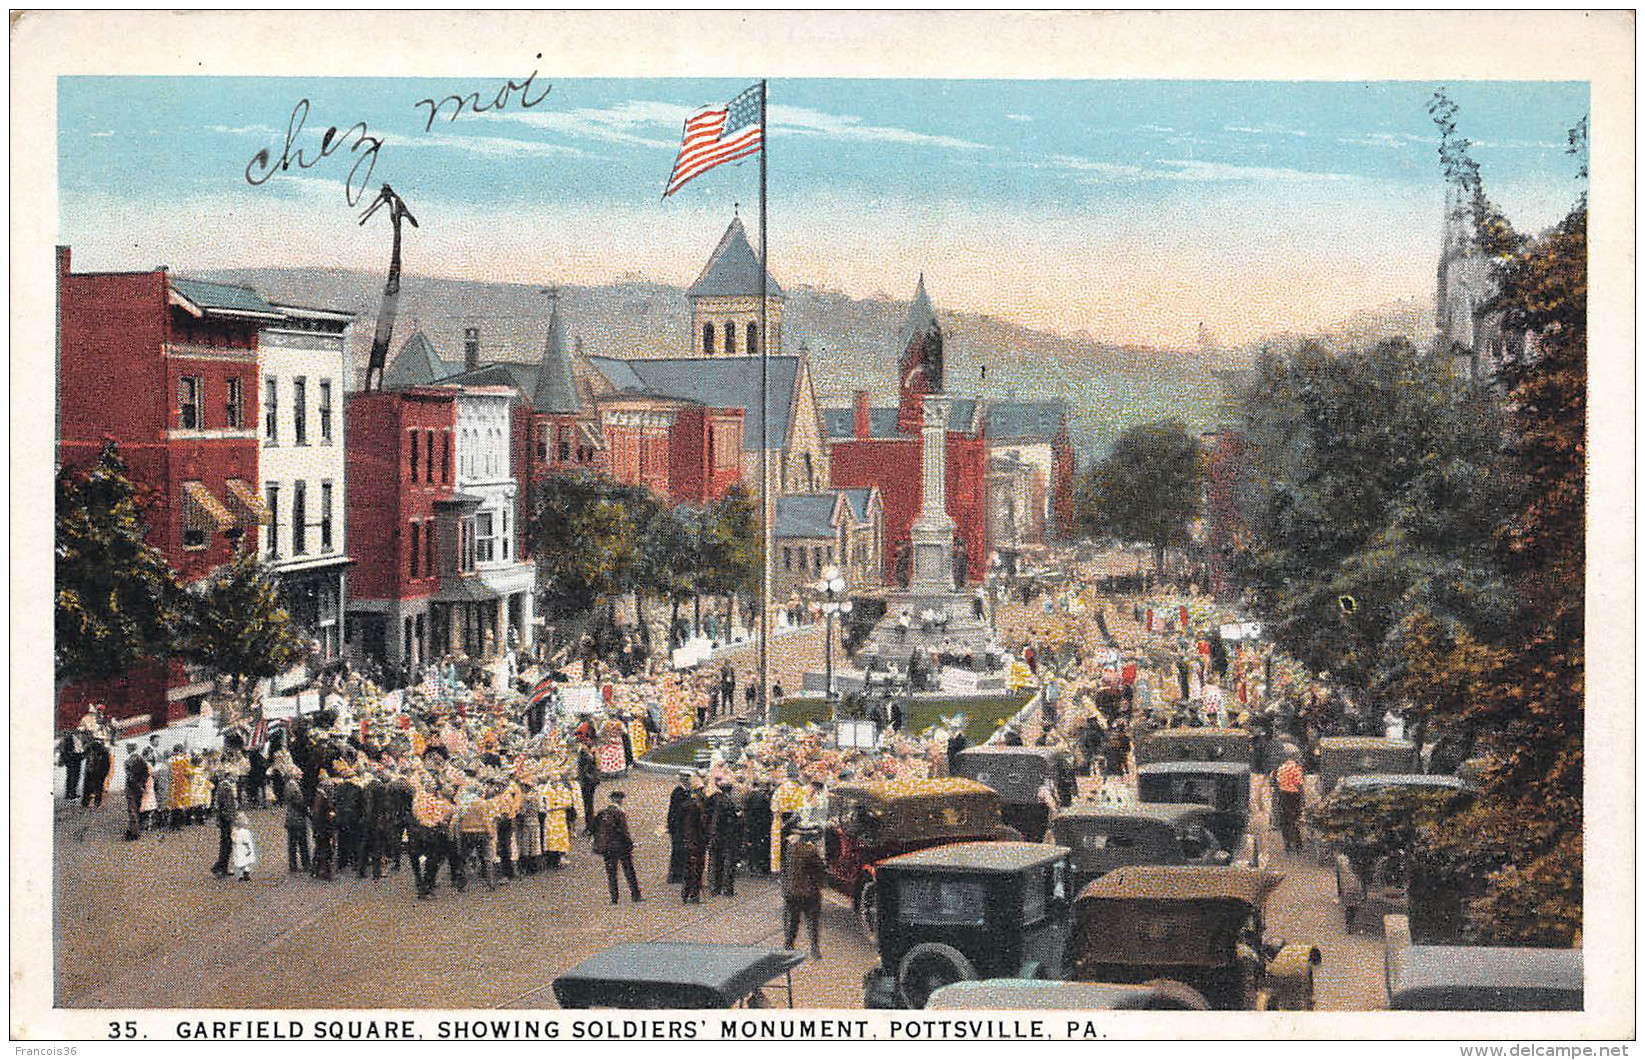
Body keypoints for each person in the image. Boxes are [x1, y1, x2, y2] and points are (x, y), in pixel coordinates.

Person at [781, 826, 826, 959]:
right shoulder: (810, 851)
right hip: (809, 892)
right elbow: (820, 871)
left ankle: (788, 945)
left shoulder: (789, 849)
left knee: (792, 921)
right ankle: (814, 949)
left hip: (792, 892)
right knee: (812, 922)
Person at [591, 791, 642, 904]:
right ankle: (635, 894)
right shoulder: (619, 813)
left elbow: (593, 827)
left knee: (611, 873)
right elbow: (624, 831)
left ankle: (614, 897)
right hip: (621, 846)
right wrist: (630, 843)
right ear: (620, 800)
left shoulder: (602, 813)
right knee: (629, 870)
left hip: (607, 847)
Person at [707, 780, 744, 897]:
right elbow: (734, 821)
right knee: (728, 864)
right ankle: (727, 889)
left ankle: (714, 888)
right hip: (728, 837)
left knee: (715, 862)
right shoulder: (730, 802)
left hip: (716, 835)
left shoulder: (714, 799)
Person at [680, 784, 709, 904]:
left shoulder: (686, 806)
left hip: (689, 842)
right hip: (696, 843)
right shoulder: (696, 809)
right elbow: (699, 827)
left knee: (689, 869)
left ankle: (686, 893)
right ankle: (693, 894)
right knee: (696, 870)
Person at [1272, 755, 1305, 854]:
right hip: (1294, 796)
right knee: (1294, 819)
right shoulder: (1296, 768)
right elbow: (1299, 783)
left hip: (1283, 795)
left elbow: (1276, 782)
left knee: (1284, 820)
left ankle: (1287, 845)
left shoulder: (1281, 768)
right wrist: (1302, 796)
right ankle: (1298, 844)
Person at [210, 769, 239, 877]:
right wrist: (230, 817)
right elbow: (225, 804)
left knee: (227, 843)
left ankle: (222, 866)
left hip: (226, 817)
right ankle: (219, 866)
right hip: (226, 818)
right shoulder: (225, 787)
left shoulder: (227, 786)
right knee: (226, 843)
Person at [665, 770, 692, 884]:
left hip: (682, 825)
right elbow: (675, 811)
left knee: (682, 850)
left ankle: (680, 873)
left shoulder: (686, 791)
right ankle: (675, 875)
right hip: (678, 826)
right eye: (686, 778)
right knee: (677, 850)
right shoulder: (678, 792)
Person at [742, 780, 773, 877]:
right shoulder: (764, 797)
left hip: (752, 824)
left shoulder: (749, 795)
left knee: (753, 845)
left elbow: (746, 809)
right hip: (762, 825)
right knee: (762, 846)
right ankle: (761, 867)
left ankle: (753, 866)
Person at [310, 779, 337, 881]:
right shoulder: (323, 798)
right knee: (325, 850)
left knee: (319, 849)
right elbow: (325, 814)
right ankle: (325, 872)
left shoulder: (318, 796)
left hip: (319, 828)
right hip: (323, 829)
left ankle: (315, 870)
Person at [122, 744, 151, 840]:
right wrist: (142, 784)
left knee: (132, 810)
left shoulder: (129, 761)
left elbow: (130, 777)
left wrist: (135, 784)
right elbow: (146, 773)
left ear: (130, 748)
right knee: (138, 808)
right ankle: (137, 829)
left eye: (127, 748)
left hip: (132, 788)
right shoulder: (141, 759)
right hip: (139, 787)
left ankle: (134, 832)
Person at [284, 778, 311, 874]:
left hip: (290, 820)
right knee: (303, 843)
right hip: (298, 820)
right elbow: (300, 805)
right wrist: (308, 812)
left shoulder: (288, 787)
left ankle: (293, 864)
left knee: (292, 844)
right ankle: (306, 863)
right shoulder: (295, 790)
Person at [576, 744, 599, 835]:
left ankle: (590, 827)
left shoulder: (584, 752)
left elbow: (585, 769)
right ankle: (590, 825)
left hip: (587, 782)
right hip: (590, 781)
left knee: (588, 805)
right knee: (588, 804)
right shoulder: (588, 751)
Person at [81, 739, 110, 809]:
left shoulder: (102, 753)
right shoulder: (104, 752)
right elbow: (107, 766)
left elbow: (106, 765)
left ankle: (88, 802)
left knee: (90, 787)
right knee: (96, 787)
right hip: (94, 772)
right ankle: (94, 802)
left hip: (96, 772)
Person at [232, 812, 258, 881]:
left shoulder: (235, 832)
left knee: (240, 862)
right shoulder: (245, 832)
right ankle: (246, 874)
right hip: (245, 848)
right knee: (246, 861)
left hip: (238, 848)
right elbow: (246, 841)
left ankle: (240, 875)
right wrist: (248, 848)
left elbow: (234, 840)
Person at [58, 732, 84, 802]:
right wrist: (67, 759)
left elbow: (80, 748)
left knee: (76, 776)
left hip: (77, 758)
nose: (80, 734)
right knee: (71, 777)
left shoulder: (79, 739)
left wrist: (81, 755)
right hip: (71, 760)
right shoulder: (69, 738)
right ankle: (69, 794)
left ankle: (73, 793)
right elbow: (64, 750)